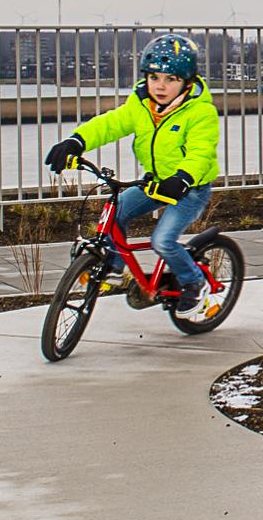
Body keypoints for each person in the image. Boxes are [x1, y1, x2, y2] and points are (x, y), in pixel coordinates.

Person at [43, 33, 221, 312]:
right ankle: (114, 267)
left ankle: (194, 282)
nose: (160, 86)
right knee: (114, 212)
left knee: (162, 240)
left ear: (186, 81)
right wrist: (76, 141)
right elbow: (110, 124)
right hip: (156, 182)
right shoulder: (141, 105)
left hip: (190, 189)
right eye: (154, 77)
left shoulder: (200, 113)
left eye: (170, 79)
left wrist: (184, 178)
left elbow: (201, 153)